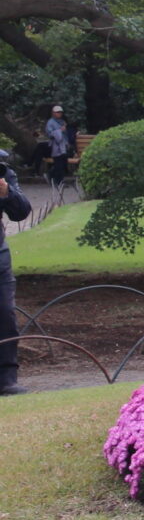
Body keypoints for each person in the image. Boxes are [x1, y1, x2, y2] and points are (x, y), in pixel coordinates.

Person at [0, 152, 38, 395]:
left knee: (5, 315)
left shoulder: (4, 172)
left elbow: (22, 211)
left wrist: (6, 193)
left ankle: (7, 379)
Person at [44, 105, 73, 187]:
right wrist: (59, 130)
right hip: (56, 147)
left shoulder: (62, 121)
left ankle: (56, 178)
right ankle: (58, 182)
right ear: (53, 113)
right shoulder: (50, 122)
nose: (59, 114)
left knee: (63, 164)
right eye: (57, 112)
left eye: (60, 112)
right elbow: (50, 134)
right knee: (58, 164)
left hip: (64, 146)